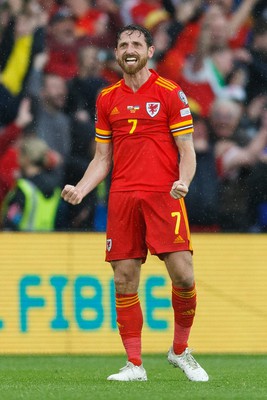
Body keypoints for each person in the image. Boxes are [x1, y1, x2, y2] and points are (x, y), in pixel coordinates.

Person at [61, 24, 209, 382]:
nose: (129, 49)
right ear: (116, 53)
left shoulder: (171, 93)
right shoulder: (106, 98)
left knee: (184, 275)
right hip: (123, 196)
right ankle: (135, 365)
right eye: (123, 44)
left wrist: (183, 182)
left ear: (150, 50)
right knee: (124, 279)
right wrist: (81, 189)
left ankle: (180, 350)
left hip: (164, 194)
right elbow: (102, 158)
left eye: (136, 43)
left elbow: (187, 151)